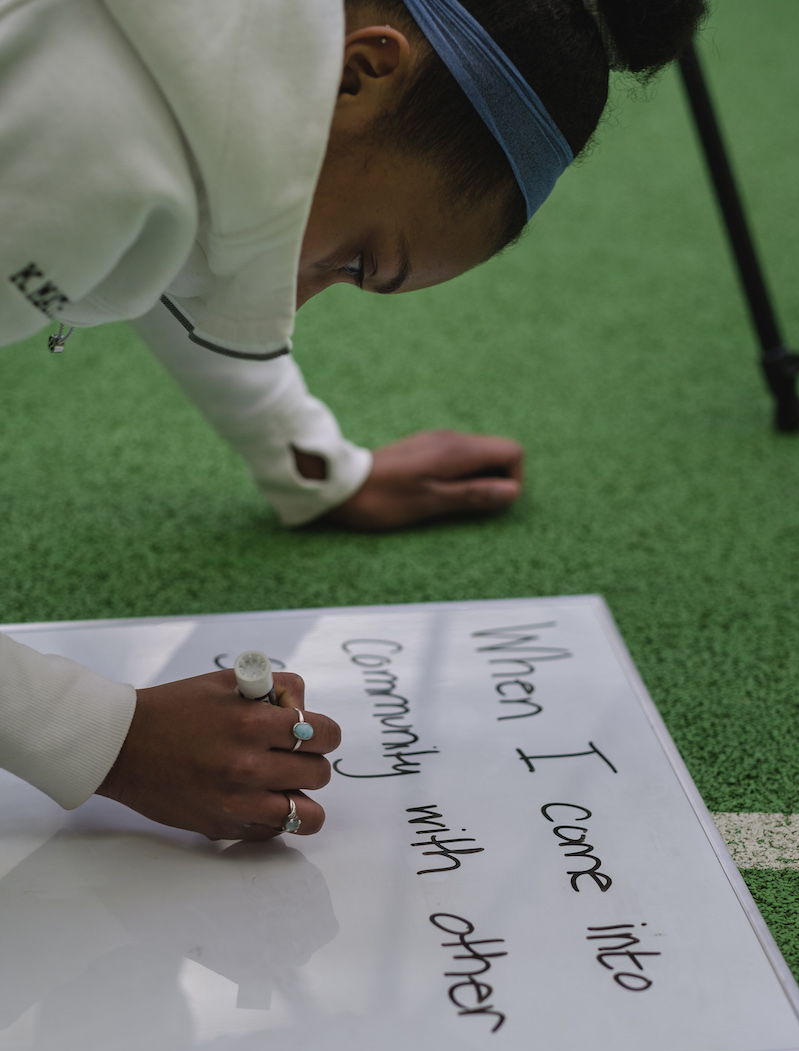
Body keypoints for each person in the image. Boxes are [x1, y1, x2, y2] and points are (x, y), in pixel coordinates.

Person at [0, 0, 707, 842]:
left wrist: (310, 461)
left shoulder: (206, 59)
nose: (294, 298)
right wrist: (102, 736)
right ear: (358, 73)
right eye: (356, 259)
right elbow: (135, 201)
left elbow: (176, 236)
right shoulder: (89, 142)